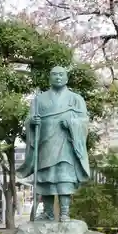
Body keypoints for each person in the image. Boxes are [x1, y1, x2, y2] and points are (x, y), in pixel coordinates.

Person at [17, 66, 90, 222]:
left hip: (66, 145)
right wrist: (32, 122)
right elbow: (29, 119)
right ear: (50, 78)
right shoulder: (39, 99)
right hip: (45, 144)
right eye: (55, 74)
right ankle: (48, 213)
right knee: (46, 180)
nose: (58, 77)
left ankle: (64, 212)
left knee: (64, 177)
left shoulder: (76, 99)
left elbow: (84, 122)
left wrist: (72, 123)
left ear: (66, 78)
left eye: (61, 74)